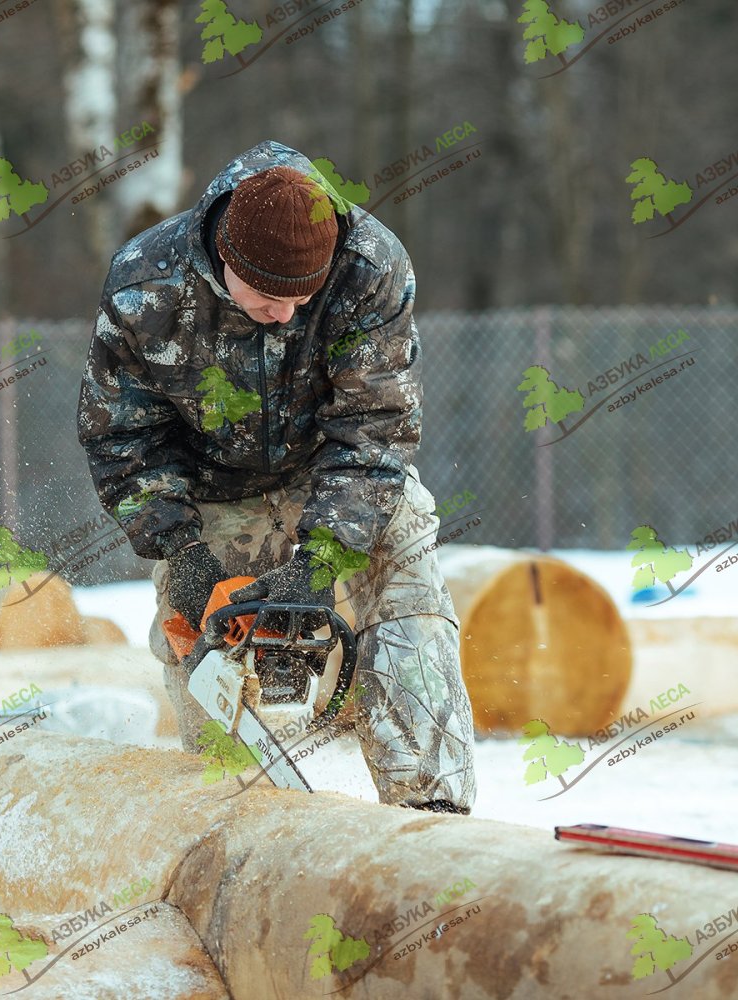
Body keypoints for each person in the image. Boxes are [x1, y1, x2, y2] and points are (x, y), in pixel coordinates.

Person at [77, 139, 475, 814]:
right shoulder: (145, 284)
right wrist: (184, 552)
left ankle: (430, 814)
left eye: (302, 296)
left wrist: (321, 562)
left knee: (410, 598)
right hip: (208, 485)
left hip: (338, 471)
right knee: (200, 641)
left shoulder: (371, 267)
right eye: (267, 296)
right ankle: (237, 821)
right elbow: (124, 437)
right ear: (224, 258)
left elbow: (376, 431)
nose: (286, 313)